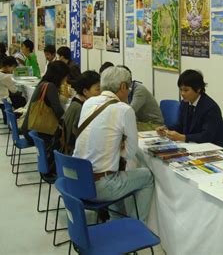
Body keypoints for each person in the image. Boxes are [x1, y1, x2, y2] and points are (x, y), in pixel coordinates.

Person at [73, 66, 154, 223]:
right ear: (123, 86)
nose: (129, 91)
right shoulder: (124, 110)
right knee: (147, 176)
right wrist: (118, 148)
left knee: (114, 168)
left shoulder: (89, 103)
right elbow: (130, 154)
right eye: (128, 87)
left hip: (77, 181)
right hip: (100, 187)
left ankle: (116, 218)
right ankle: (137, 225)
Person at [157, 69, 223, 148]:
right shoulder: (185, 103)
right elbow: (180, 126)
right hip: (192, 146)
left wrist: (183, 137)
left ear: (198, 89)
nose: (182, 93)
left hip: (212, 149)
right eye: (181, 89)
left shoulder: (210, 108)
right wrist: (166, 129)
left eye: (186, 90)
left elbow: (206, 136)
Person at [21, 61, 70, 145]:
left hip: (30, 129)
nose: (66, 79)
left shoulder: (43, 84)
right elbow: (58, 111)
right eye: (65, 76)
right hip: (37, 131)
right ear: (60, 76)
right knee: (67, 136)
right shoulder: (50, 86)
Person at [62, 70, 100, 155]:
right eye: (98, 89)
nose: (101, 93)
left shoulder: (76, 102)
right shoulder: (80, 108)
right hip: (73, 155)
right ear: (85, 92)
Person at [118, 65, 163, 131]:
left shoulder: (139, 90)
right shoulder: (126, 90)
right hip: (141, 122)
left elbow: (130, 111)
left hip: (154, 125)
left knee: (125, 130)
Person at [0, 56, 26, 122]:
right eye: (13, 67)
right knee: (22, 99)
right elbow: (14, 91)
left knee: (16, 97)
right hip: (0, 100)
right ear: (8, 66)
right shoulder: (6, 76)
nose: (14, 70)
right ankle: (20, 119)